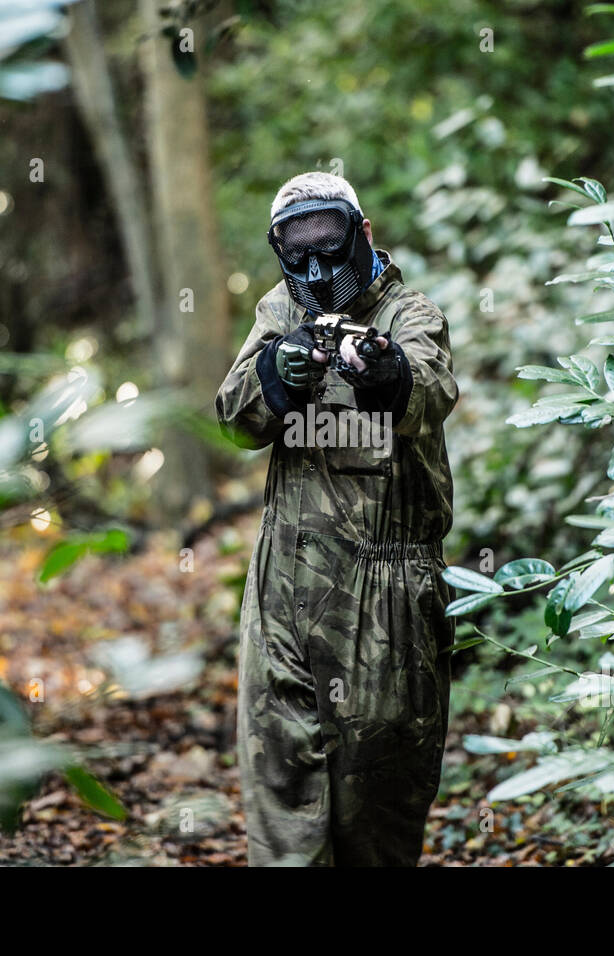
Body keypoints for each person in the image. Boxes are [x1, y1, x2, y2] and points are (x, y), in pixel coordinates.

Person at [215, 171, 458, 866]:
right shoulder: (277, 314)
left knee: (374, 818)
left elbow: (431, 385)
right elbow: (233, 419)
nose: (319, 270)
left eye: (331, 247)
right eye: (300, 255)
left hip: (386, 602)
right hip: (283, 591)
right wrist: (274, 373)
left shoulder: (410, 314)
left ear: (363, 235)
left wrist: (381, 372)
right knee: (282, 810)